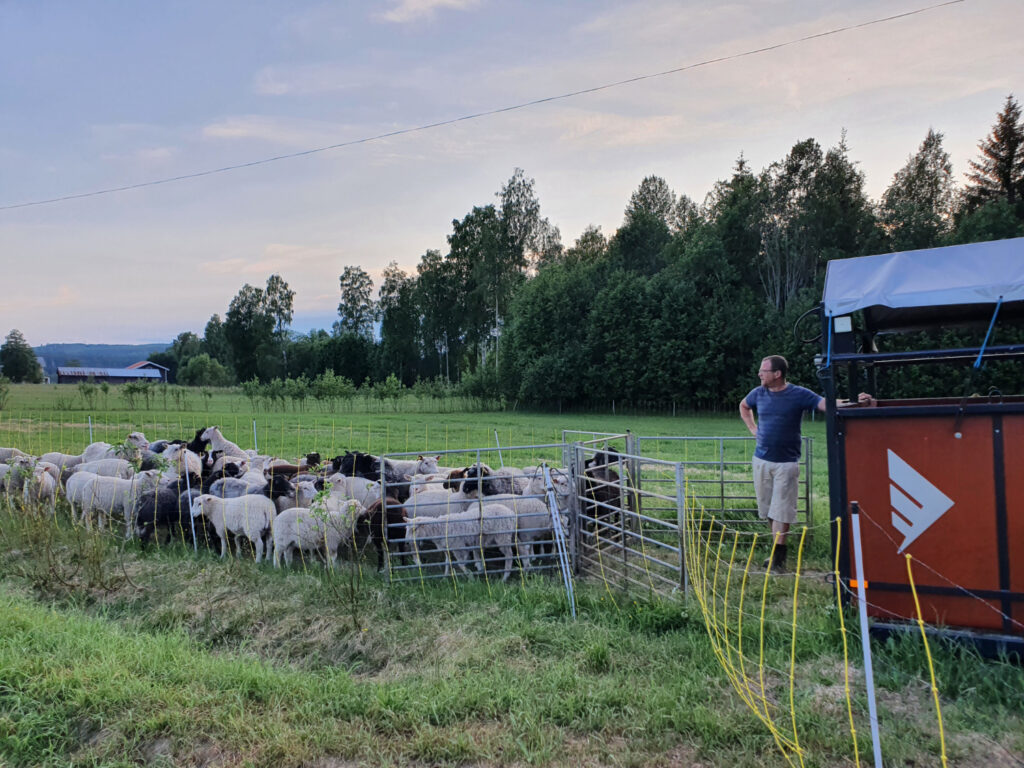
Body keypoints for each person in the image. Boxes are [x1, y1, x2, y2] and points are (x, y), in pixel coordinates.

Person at [739, 355, 874, 572]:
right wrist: (753, 429)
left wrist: (855, 401)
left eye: (763, 370)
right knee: (768, 510)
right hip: (761, 460)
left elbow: (827, 404)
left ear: (777, 374)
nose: (759, 374)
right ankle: (776, 552)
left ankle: (779, 558)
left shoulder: (798, 394)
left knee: (782, 510)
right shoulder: (758, 393)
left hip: (786, 463)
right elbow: (744, 406)